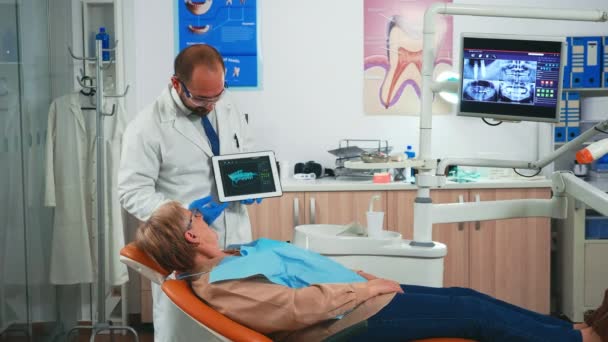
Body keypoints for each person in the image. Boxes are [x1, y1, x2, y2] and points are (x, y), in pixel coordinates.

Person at [134, 201, 608, 342]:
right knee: (471, 313)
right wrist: (367, 289)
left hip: (359, 296)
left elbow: (303, 270)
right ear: (192, 237)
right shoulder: (222, 285)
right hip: (346, 322)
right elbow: (299, 308)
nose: (203, 218)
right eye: (195, 218)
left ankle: (571, 330)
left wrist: (361, 275)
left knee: (467, 295)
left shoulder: (230, 259)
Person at [118, 44, 256, 342]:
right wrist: (183, 213)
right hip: (187, 249)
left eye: (217, 95)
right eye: (201, 98)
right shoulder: (146, 127)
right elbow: (131, 191)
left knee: (235, 328)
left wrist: (247, 183)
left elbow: (241, 150)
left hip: (234, 240)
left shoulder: (226, 103)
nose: (211, 105)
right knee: (187, 331)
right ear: (176, 83)